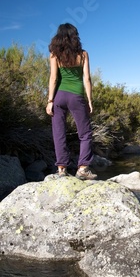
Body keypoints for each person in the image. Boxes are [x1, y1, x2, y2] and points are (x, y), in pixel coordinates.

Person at [46, 23, 97, 180]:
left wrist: (50, 100)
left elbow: (53, 78)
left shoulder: (55, 54)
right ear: (75, 36)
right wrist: (89, 100)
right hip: (76, 96)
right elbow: (87, 79)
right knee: (85, 133)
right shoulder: (83, 54)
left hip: (59, 97)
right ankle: (83, 168)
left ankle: (61, 169)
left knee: (59, 133)